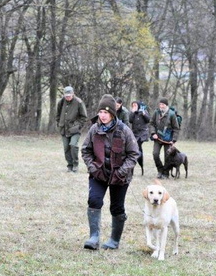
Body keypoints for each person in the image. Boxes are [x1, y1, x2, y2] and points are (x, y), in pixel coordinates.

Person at [81, 94, 139, 250]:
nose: (103, 115)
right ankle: (94, 238)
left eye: (106, 112)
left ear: (113, 114)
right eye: (100, 112)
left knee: (117, 207)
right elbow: (85, 150)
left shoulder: (124, 130)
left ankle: (114, 241)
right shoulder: (94, 129)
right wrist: (92, 167)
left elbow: (134, 154)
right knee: (94, 201)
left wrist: (122, 172)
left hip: (120, 177)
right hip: (98, 174)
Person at [56, 86, 88, 173]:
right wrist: (59, 124)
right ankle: (69, 166)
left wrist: (76, 126)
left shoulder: (79, 102)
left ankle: (75, 165)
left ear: (73, 94)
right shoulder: (61, 102)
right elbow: (58, 114)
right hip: (64, 129)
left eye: (69, 96)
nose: (68, 97)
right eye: (66, 96)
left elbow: (84, 117)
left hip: (75, 130)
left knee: (73, 145)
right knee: (66, 148)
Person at [149, 98, 180, 179]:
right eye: (160, 104)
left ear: (166, 105)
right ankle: (160, 170)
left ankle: (166, 173)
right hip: (157, 138)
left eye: (163, 104)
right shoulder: (156, 112)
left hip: (168, 140)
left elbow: (176, 128)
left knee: (168, 157)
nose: (161, 106)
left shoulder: (172, 114)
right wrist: (153, 133)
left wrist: (173, 140)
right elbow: (151, 123)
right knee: (155, 154)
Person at [129, 101, 150, 175]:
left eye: (135, 105)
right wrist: (132, 112)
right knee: (136, 149)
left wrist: (144, 113)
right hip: (135, 134)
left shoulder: (143, 110)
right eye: (133, 105)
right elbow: (130, 120)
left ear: (138, 105)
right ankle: (137, 161)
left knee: (137, 148)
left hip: (142, 134)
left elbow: (148, 120)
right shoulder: (133, 112)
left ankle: (139, 163)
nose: (134, 106)